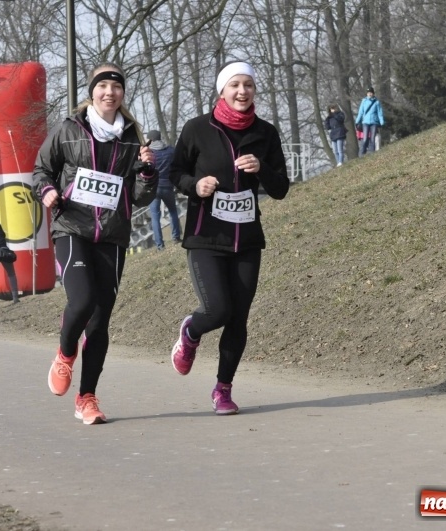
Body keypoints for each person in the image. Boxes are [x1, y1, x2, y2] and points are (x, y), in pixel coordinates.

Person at [32, 62, 158, 425]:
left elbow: (140, 196)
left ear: (122, 94)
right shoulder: (69, 130)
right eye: (103, 86)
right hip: (72, 226)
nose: (109, 92)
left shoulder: (133, 138)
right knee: (83, 300)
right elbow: (41, 170)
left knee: (100, 321)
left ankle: (86, 398)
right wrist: (47, 190)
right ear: (92, 92)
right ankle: (65, 354)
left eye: (116, 87)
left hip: (112, 235)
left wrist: (148, 173)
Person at [169, 61, 290, 415]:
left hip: (247, 240)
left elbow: (281, 188)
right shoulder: (197, 129)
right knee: (218, 310)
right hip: (206, 237)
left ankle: (223, 390)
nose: (242, 91)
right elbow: (174, 172)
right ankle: (191, 332)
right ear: (222, 91)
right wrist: (196, 185)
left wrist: (261, 169)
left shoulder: (266, 133)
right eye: (235, 84)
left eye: (248, 85)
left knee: (238, 318)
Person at [145, 130, 181, 250]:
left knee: (155, 216)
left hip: (153, 188)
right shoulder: (170, 150)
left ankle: (160, 245)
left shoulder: (148, 153)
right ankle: (176, 237)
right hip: (167, 186)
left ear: (150, 140)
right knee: (173, 211)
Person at [355, 87, 385, 156]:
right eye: (368, 93)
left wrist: (382, 122)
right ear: (367, 94)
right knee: (365, 138)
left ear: (373, 93)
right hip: (365, 122)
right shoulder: (364, 101)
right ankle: (362, 153)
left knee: (372, 138)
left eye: (371, 93)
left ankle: (372, 152)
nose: (369, 94)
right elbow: (360, 112)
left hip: (374, 122)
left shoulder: (377, 102)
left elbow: (380, 113)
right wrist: (357, 121)